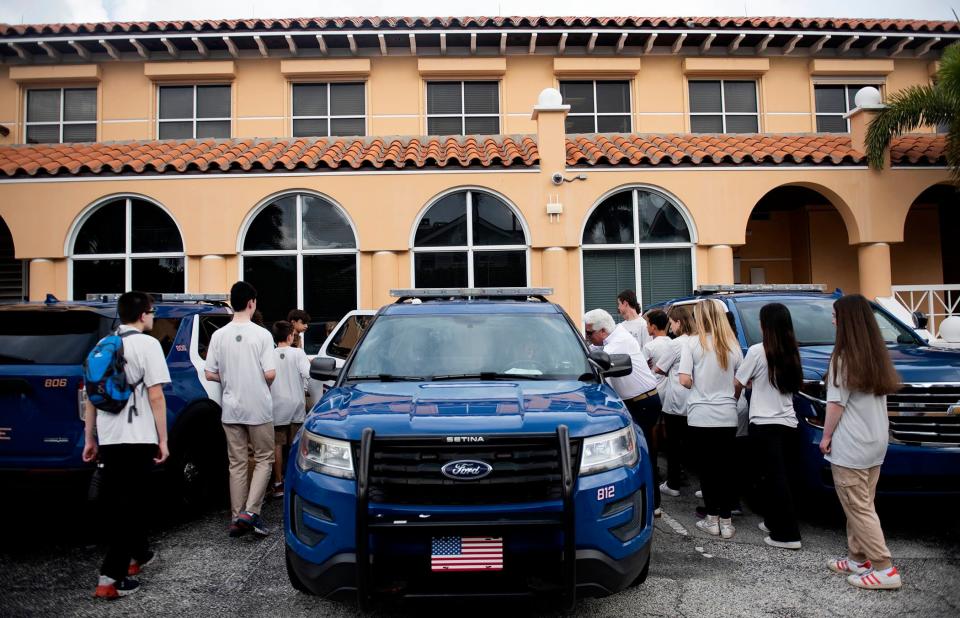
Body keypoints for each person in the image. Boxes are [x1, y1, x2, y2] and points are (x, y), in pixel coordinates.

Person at [83, 291, 170, 600]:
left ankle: (136, 558)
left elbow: (91, 396)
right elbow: (156, 395)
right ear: (143, 314)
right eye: (152, 311)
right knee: (131, 507)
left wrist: (90, 438)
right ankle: (110, 578)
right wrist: (163, 439)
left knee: (122, 502)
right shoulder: (149, 345)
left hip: (109, 437)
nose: (154, 316)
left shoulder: (102, 345)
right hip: (138, 436)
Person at [821, 294, 902, 590]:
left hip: (851, 446)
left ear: (847, 321)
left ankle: (884, 568)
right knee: (862, 503)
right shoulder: (875, 356)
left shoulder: (842, 359)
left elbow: (835, 406)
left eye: (835, 315)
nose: (832, 320)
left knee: (858, 508)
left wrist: (826, 436)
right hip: (875, 443)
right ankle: (858, 558)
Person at [205, 281, 277, 538]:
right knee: (264, 459)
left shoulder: (218, 335)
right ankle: (251, 512)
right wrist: (257, 380)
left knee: (236, 463)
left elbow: (209, 372)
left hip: (230, 407)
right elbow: (270, 373)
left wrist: (229, 377)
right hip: (257, 406)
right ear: (251, 303)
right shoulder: (261, 335)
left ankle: (237, 516)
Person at [735, 303, 804, 550]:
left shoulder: (756, 351)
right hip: (788, 422)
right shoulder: (791, 351)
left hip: (763, 423)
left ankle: (787, 535)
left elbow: (738, 382)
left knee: (772, 479)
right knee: (783, 477)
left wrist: (736, 398)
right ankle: (774, 521)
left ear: (766, 325)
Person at [584, 308, 663, 514]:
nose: (588, 338)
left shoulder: (619, 342)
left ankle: (653, 504)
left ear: (602, 331)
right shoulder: (612, 339)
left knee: (645, 453)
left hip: (643, 402)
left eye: (589, 334)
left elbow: (591, 362)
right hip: (637, 401)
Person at [679, 300, 743, 539]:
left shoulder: (693, 343)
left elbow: (684, 379)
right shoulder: (732, 344)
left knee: (707, 470)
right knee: (725, 469)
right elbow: (740, 380)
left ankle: (712, 518)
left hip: (700, 413)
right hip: (727, 413)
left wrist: (698, 386)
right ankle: (727, 522)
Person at [655, 304, 695, 497]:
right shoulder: (698, 341)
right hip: (694, 400)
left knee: (673, 444)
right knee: (694, 444)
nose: (670, 327)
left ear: (679, 322)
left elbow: (660, 369)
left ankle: (673, 483)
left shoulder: (675, 344)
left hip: (676, 400)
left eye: (672, 323)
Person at [269, 320, 311, 498]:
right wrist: (305, 389)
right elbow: (307, 374)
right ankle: (294, 480)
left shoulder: (268, 354)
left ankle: (278, 483)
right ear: (289, 336)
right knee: (295, 445)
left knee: (277, 445)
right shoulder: (298, 353)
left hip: (276, 404)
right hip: (295, 404)